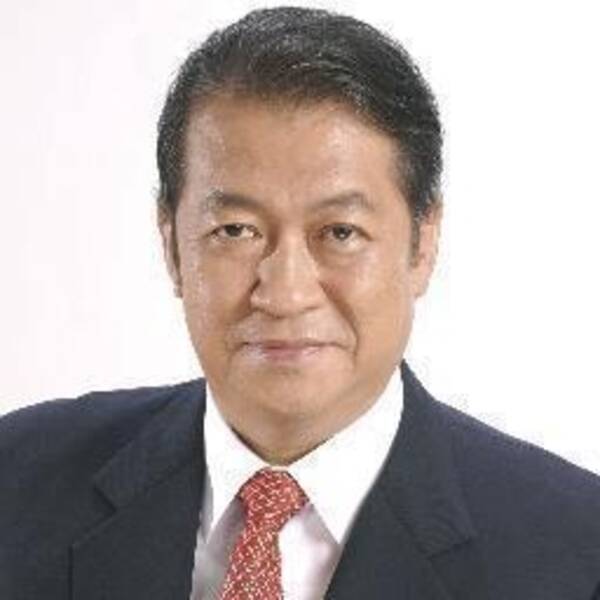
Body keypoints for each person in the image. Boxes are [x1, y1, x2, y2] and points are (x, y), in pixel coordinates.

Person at [1, 6, 599, 599]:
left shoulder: (575, 552)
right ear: (172, 246)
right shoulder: (19, 476)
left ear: (423, 244)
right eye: (236, 230)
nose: (285, 294)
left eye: (340, 232)